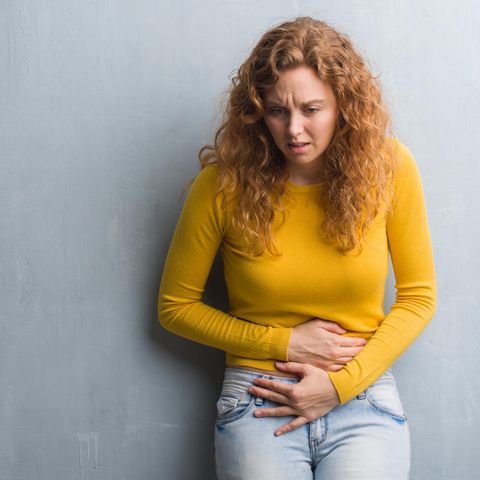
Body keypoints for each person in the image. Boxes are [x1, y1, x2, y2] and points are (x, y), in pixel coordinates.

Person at [157, 16, 436, 479]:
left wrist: (340, 385)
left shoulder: (390, 169)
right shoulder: (221, 187)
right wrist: (282, 341)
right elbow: (175, 307)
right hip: (259, 396)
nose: (294, 130)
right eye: (277, 111)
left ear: (343, 105)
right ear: (256, 112)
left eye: (312, 109)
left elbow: (419, 297)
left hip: (361, 394)